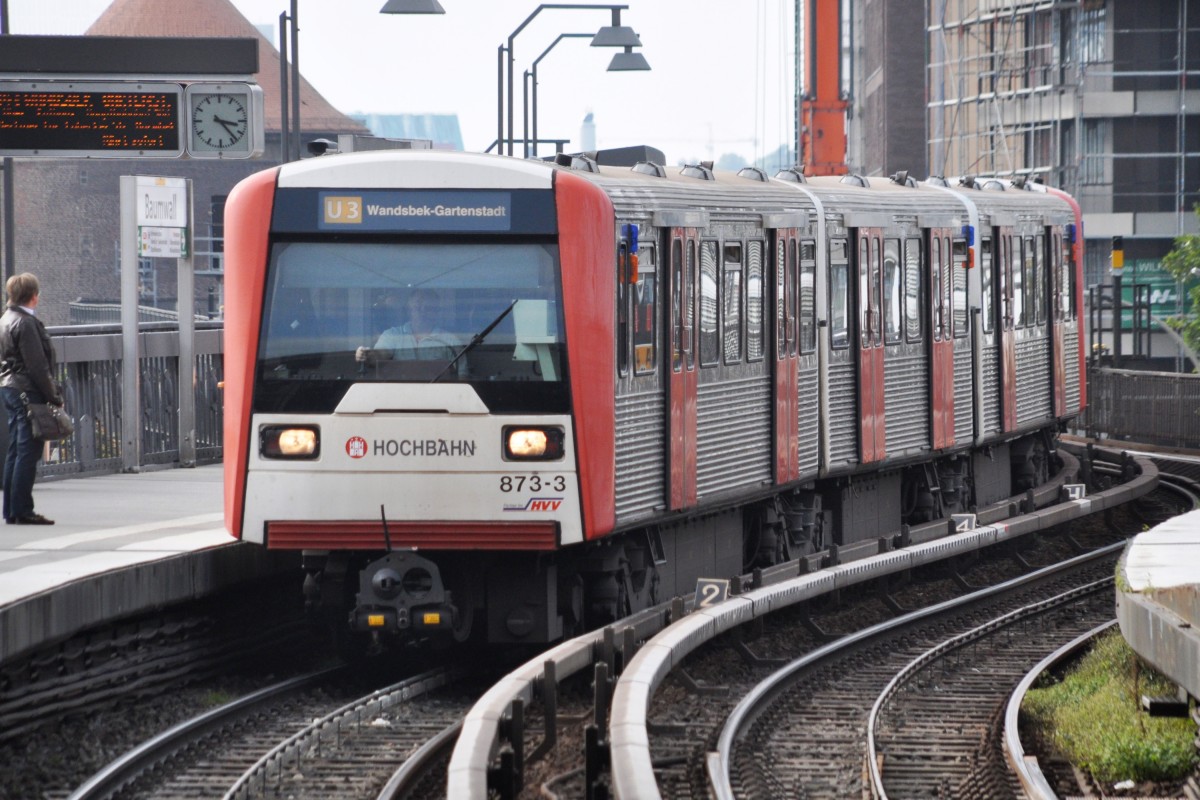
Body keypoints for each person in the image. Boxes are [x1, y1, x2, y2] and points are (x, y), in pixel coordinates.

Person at [0, 273, 63, 525]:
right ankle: (23, 509)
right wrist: (54, 396)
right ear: (34, 296)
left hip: (9, 388)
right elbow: (37, 366)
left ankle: (12, 510)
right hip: (27, 391)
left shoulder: (5, 319)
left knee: (16, 449)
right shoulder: (26, 323)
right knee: (28, 450)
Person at [355, 289, 467, 377]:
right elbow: (380, 355)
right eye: (417, 307)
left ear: (437, 311)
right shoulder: (392, 335)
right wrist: (367, 355)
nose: (422, 311)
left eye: (428, 308)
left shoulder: (450, 341)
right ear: (409, 310)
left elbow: (463, 377)